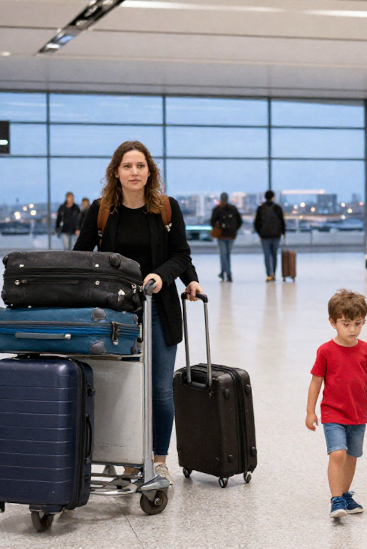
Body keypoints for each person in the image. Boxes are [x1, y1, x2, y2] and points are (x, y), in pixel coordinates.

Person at [74, 141, 202, 489]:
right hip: (116, 315)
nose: (134, 172)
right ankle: (129, 457)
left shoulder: (166, 208)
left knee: (160, 389)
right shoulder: (101, 211)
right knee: (123, 387)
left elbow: (181, 254)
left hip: (158, 308)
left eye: (140, 166)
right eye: (127, 166)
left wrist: (166, 276)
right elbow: (82, 257)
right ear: (116, 171)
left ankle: (158, 461)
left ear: (150, 172)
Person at [305, 290, 367, 520]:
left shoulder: (366, 350)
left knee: (351, 456)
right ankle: (335, 499)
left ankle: (345, 494)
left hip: (358, 414)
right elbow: (315, 383)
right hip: (333, 413)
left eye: (358, 323)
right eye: (346, 323)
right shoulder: (326, 351)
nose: (352, 329)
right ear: (333, 323)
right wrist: (310, 411)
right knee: (338, 454)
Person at [210, 192, 242, 282]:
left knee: (223, 254)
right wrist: (235, 229)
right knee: (227, 254)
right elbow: (239, 221)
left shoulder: (217, 210)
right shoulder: (233, 209)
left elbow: (212, 222)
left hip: (221, 235)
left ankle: (227, 273)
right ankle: (224, 272)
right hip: (231, 235)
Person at [254, 190, 285, 281]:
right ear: (273, 197)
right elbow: (282, 221)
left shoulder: (261, 208)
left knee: (267, 255)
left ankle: (269, 273)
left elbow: (257, 222)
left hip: (264, 236)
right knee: (274, 255)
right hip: (276, 235)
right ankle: (274, 273)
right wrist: (283, 232)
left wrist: (259, 232)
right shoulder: (277, 208)